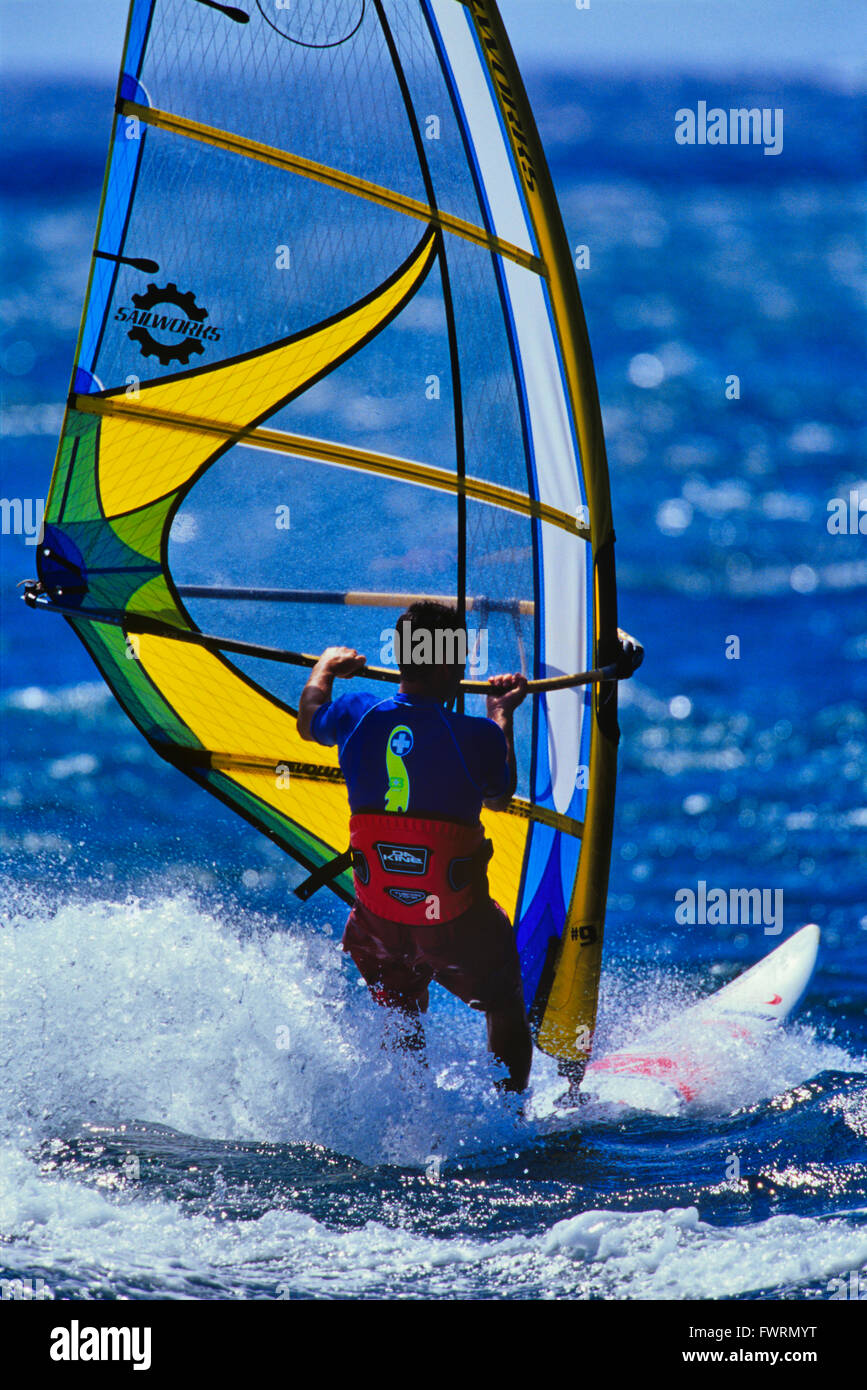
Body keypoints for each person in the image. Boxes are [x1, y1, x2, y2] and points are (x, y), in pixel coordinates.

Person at [296, 600, 533, 1092]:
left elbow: (309, 718)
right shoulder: (479, 737)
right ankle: (511, 1116)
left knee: (401, 1004)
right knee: (504, 1003)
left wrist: (325, 666)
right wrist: (500, 714)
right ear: (455, 661)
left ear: (402, 659)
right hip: (453, 919)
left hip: (378, 916)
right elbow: (499, 793)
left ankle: (409, 1110)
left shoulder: (356, 714)